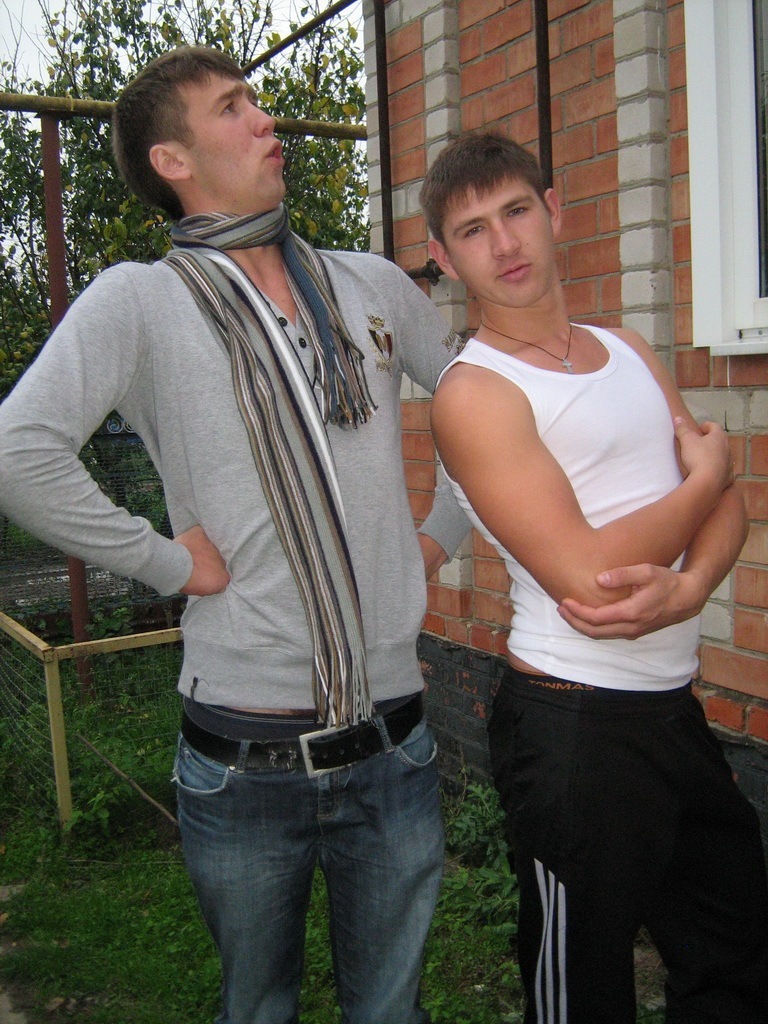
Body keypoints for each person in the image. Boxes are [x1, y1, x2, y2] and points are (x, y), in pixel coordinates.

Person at [0, 48, 746, 1024]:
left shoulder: (368, 287)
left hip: (394, 743)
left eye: (256, 100)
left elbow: (483, 395)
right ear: (172, 160)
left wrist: (432, 541)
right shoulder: (139, 302)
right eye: (233, 108)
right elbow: (19, 451)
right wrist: (166, 561)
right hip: (242, 756)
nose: (265, 120)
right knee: (257, 1007)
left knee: (392, 1009)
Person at [420, 130, 768, 1024]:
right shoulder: (475, 393)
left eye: (517, 211)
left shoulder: (629, 351)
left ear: (554, 211)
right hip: (573, 727)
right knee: (582, 993)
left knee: (733, 946)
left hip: (672, 711)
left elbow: (728, 511)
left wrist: (690, 589)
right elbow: (590, 569)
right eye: (472, 230)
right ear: (444, 258)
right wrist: (706, 478)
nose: (505, 244)